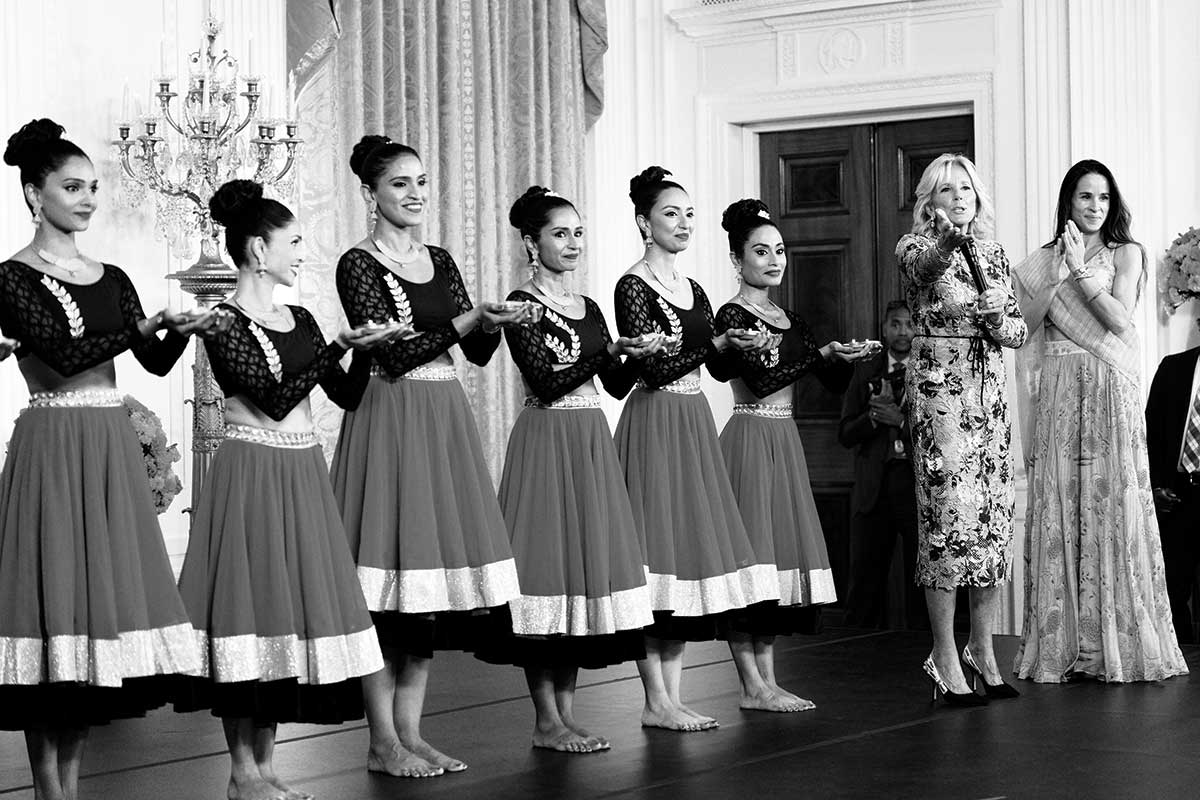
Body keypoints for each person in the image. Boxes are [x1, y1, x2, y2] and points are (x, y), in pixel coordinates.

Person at [0, 118, 218, 800]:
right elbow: (62, 358)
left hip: (107, 451)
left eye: (93, 187)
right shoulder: (10, 279)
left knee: (97, 617)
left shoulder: (113, 276)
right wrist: (136, 327)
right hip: (54, 449)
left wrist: (180, 334)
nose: (89, 199)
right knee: (55, 603)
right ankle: (46, 790)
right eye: (72, 188)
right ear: (35, 195)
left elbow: (148, 360)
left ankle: (70, 785)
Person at [175, 179, 399, 800]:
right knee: (248, 611)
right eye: (293, 242)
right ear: (255, 249)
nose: (302, 252)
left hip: (302, 473)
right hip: (251, 471)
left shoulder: (298, 318)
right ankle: (242, 772)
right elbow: (272, 401)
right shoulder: (221, 323)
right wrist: (334, 348)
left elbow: (347, 397)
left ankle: (266, 769)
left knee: (281, 617)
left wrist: (364, 354)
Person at [331, 135, 530, 776]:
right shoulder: (356, 265)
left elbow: (469, 354)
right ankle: (380, 740)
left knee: (427, 592)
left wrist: (494, 324)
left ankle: (410, 734)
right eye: (400, 184)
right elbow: (390, 354)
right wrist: (469, 321)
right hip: (391, 420)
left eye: (421, 181)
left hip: (443, 418)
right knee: (389, 587)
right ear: (372, 193)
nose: (416, 194)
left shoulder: (440, 259)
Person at [489, 185, 659, 753]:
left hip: (589, 440)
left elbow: (608, 385)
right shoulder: (521, 303)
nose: (572, 243)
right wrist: (607, 355)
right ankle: (546, 720)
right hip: (547, 440)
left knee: (579, 574)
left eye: (578, 232)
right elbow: (546, 379)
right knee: (547, 573)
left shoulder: (588, 307)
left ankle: (565, 715)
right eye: (560, 234)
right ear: (531, 243)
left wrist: (635, 356)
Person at [613, 166, 779, 732]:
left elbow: (712, 364)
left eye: (688, 215)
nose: (683, 224)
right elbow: (655, 368)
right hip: (655, 419)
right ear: (644, 222)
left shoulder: (696, 289)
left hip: (691, 419)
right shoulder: (632, 286)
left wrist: (739, 345)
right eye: (670, 214)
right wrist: (717, 341)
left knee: (682, 554)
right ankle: (655, 699)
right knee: (655, 552)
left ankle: (672, 697)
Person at [1012, 160, 1186, 682]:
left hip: (1110, 386)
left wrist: (1083, 273)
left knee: (1110, 505)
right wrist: (1060, 273)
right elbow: (1022, 328)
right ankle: (1065, 643)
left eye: (1103, 199)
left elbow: (1119, 317)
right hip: (1061, 387)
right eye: (1085, 197)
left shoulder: (1126, 253)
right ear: (1067, 201)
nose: (1094, 207)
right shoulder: (1042, 261)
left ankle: (1113, 642)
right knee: (1065, 503)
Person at [711, 198, 866, 712]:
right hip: (750, 439)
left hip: (784, 441)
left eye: (780, 250)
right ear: (738, 260)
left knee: (772, 564)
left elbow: (826, 381)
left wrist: (842, 361)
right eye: (761, 251)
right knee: (749, 561)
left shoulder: (790, 319)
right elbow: (759, 384)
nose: (774, 260)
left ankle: (767, 681)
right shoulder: (732, 314)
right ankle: (751, 684)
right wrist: (816, 356)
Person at [896, 153, 1027, 705]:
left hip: (989, 403)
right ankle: (943, 654)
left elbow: (1018, 333)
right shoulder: (914, 249)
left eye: (968, 186)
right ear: (929, 200)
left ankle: (984, 651)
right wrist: (949, 243)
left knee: (993, 526)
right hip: (940, 403)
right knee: (948, 526)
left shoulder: (995, 254)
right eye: (948, 188)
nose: (960, 195)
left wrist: (1000, 316)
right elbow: (924, 271)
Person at [838, 300, 924, 630]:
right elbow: (845, 433)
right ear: (885, 328)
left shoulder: (932, 369)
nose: (903, 331)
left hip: (916, 489)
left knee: (921, 582)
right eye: (895, 324)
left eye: (909, 324)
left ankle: (924, 655)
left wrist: (901, 422)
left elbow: (945, 435)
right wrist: (874, 418)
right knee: (864, 582)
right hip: (873, 489)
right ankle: (857, 661)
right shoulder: (864, 370)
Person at [1146, 342, 1200, 646]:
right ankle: (1181, 667)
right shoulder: (1172, 367)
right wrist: (1153, 486)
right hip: (1175, 498)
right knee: (1171, 592)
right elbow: (1149, 432)